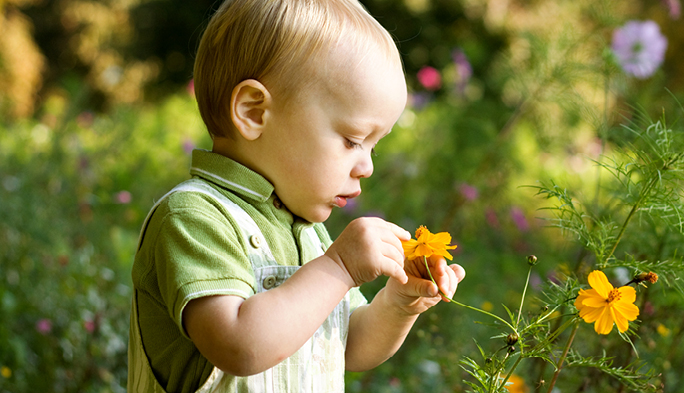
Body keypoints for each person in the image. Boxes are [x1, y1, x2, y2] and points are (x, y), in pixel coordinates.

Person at [127, 0, 466, 391]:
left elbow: (347, 345)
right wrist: (339, 268)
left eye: (374, 147)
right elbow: (239, 346)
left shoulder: (305, 232)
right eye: (352, 140)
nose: (367, 166)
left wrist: (398, 304)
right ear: (254, 112)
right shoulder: (192, 217)